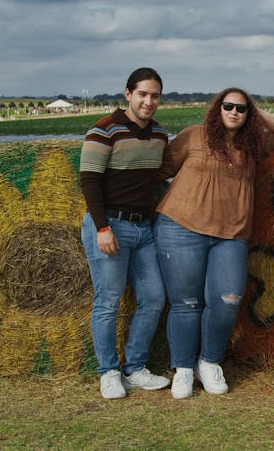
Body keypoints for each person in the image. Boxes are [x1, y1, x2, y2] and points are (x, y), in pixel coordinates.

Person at [154, 87, 274, 399]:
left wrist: (254, 113)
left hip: (231, 235)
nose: (234, 112)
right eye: (227, 106)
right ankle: (184, 369)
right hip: (181, 227)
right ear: (217, 108)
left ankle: (210, 362)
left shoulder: (255, 144)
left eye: (241, 109)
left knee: (228, 300)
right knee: (186, 302)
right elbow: (162, 169)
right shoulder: (194, 135)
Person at [80, 67, 171, 399]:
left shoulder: (160, 135)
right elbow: (89, 180)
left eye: (155, 95)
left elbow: (160, 174)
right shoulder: (104, 130)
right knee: (108, 300)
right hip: (110, 225)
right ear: (128, 94)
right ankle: (108, 372)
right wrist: (102, 227)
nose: (149, 101)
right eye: (143, 94)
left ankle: (134, 368)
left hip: (143, 229)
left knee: (154, 298)